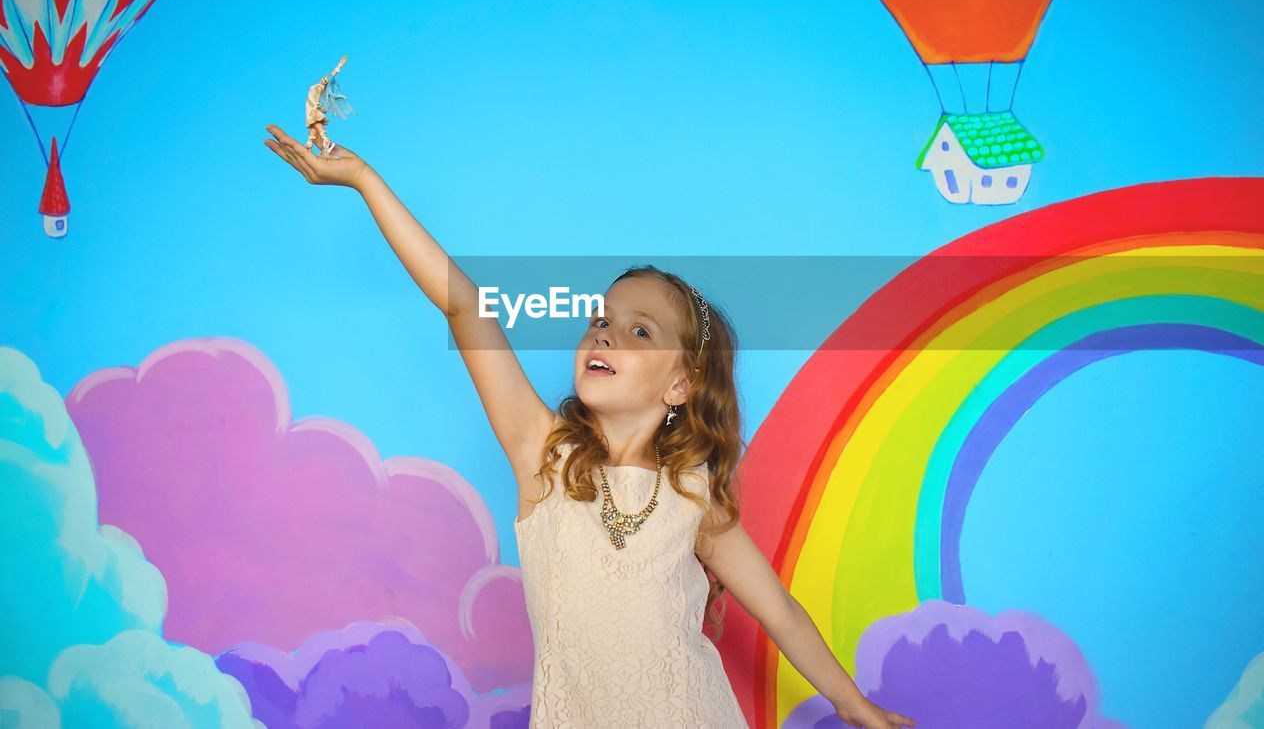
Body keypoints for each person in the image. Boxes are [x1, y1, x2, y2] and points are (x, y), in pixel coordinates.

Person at [261, 125, 916, 729]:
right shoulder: (542, 457)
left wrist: (854, 704)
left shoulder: (692, 498)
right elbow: (463, 302)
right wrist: (365, 180)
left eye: (640, 330)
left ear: (680, 386)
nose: (604, 330)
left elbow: (781, 613)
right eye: (600, 318)